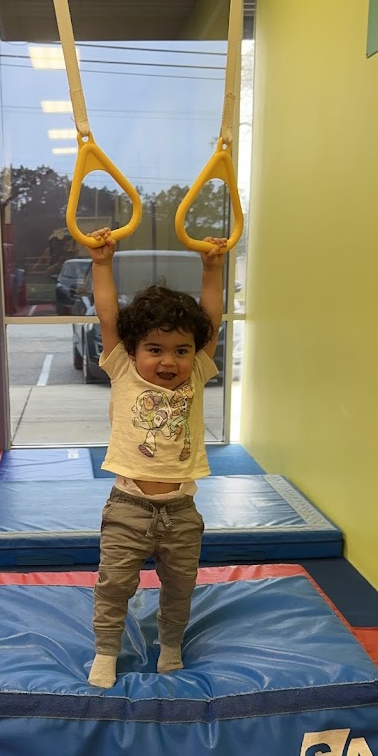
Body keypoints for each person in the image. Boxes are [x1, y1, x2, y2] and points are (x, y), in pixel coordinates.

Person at [85, 228, 227, 688]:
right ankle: (106, 651)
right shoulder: (123, 369)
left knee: (181, 586)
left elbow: (212, 319)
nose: (169, 361)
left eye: (181, 351)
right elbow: (108, 314)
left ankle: (170, 647)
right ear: (133, 350)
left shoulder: (196, 374)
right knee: (114, 585)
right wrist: (102, 263)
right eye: (155, 350)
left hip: (181, 510)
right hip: (128, 507)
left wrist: (212, 268)